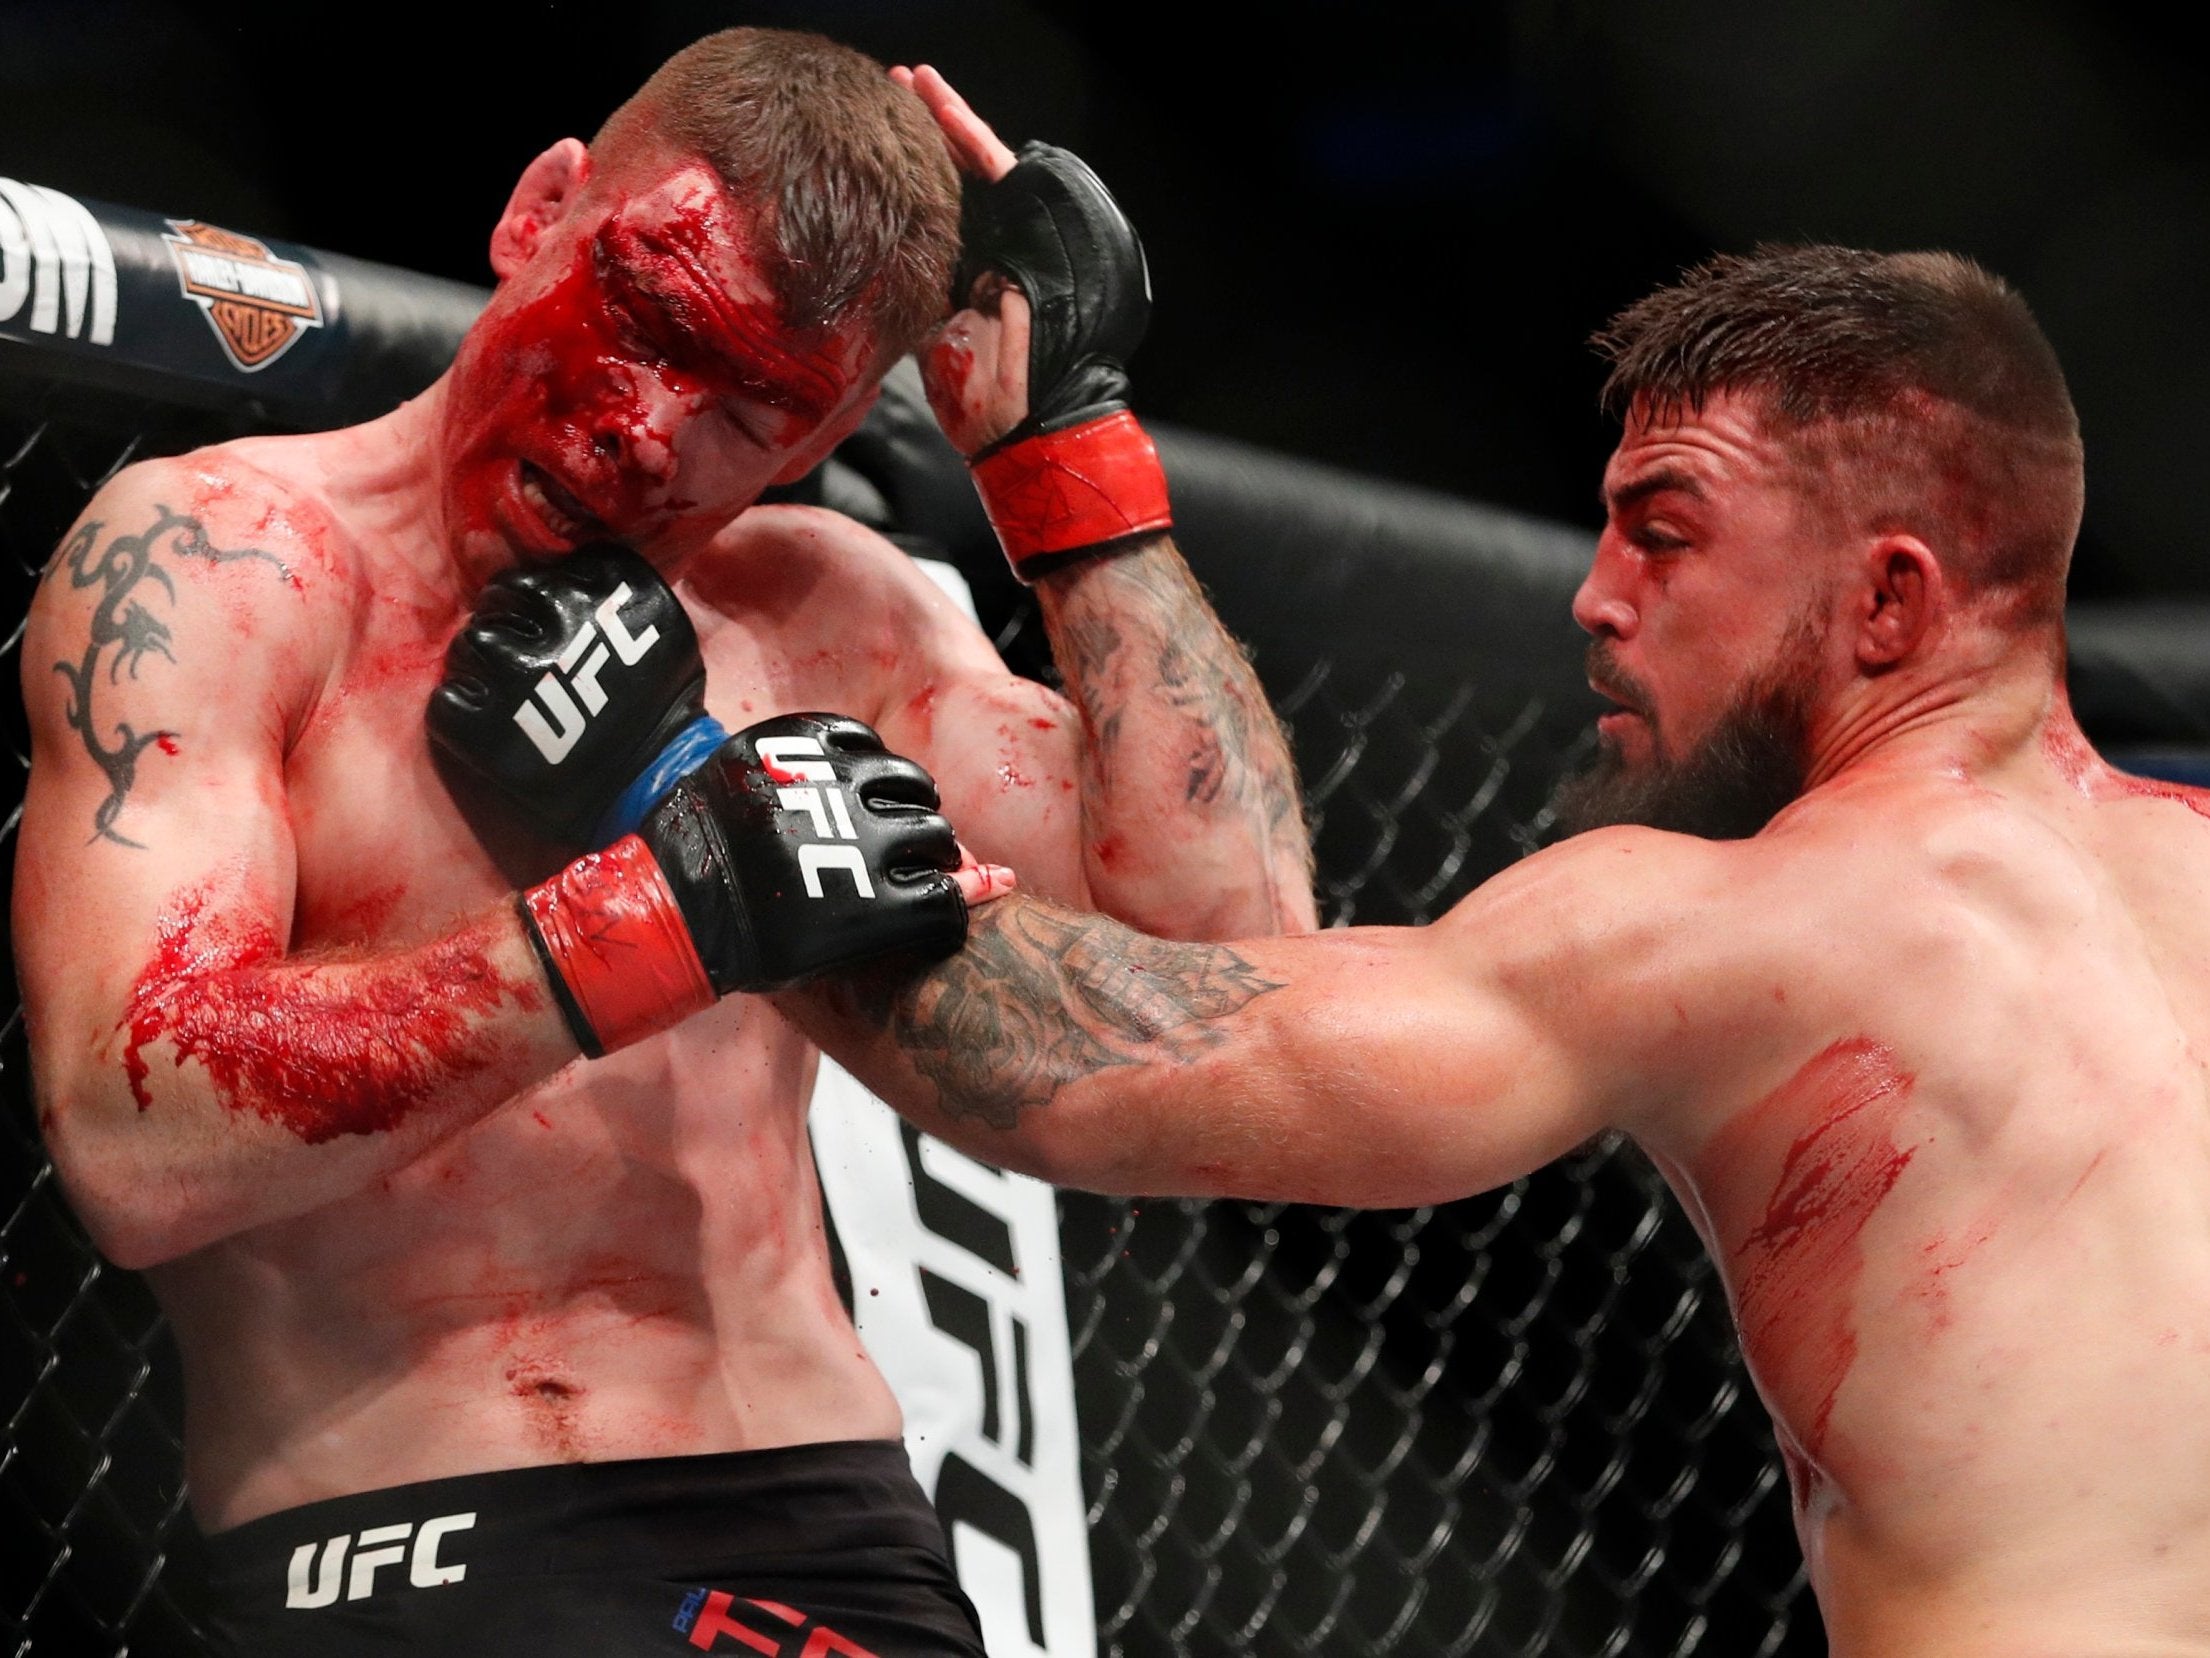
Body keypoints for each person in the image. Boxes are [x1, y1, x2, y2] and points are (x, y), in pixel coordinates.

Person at [13, 28, 1313, 1658]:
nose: (646, 430)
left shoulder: (830, 612)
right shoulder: (225, 566)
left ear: (830, 429)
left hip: (839, 1540)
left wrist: (1068, 459)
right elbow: (131, 1135)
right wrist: (661, 913)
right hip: (418, 1549)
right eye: (644, 321)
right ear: (539, 209)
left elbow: (1243, 952)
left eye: (751, 405)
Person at [786, 245, 2210, 1657]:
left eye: (1662, 530)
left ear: (1887, 603)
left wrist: (692, 824)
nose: (1594, 598)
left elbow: (1141, 1070)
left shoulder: (1746, 920)